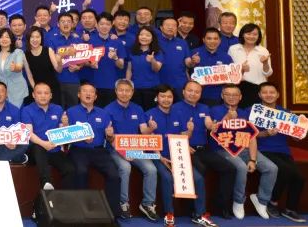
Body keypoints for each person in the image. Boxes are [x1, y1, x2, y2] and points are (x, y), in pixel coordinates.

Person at [146, 85, 218, 227]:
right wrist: (159, 156)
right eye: (163, 96)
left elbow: (183, 136)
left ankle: (199, 215)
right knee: (167, 178)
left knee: (198, 179)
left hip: (177, 154)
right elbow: (148, 138)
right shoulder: (149, 114)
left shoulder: (178, 114)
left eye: (169, 96)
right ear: (157, 98)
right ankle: (169, 214)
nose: (166, 99)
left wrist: (189, 131)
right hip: (158, 156)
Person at [206, 83, 278, 220]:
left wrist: (252, 159)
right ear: (222, 96)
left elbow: (252, 137)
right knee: (241, 167)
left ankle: (262, 200)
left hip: (244, 148)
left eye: (235, 95)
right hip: (222, 149)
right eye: (228, 94)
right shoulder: (213, 110)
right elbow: (215, 132)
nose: (231, 97)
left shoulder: (244, 113)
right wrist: (227, 117)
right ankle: (239, 201)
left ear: (240, 97)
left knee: (271, 168)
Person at [250, 82, 308, 223]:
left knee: (299, 178)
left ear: (277, 95)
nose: (268, 95)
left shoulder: (286, 113)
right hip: (263, 150)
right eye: (265, 92)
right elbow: (248, 135)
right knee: (284, 170)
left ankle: (290, 209)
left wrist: (307, 131)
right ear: (259, 95)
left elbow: (296, 137)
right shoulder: (254, 111)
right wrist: (266, 133)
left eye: (272, 92)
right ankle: (271, 202)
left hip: (283, 151)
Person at [173, 80, 236, 219]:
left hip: (204, 149)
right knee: (200, 169)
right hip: (185, 149)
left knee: (230, 168)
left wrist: (218, 123)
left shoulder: (204, 108)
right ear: (183, 92)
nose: (193, 94)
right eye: (190, 90)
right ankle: (192, 209)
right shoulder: (175, 108)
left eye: (197, 91)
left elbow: (210, 125)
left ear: (201, 94)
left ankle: (221, 207)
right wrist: (183, 144)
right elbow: (171, 130)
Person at [104, 79, 157, 221]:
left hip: (135, 148)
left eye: (127, 90)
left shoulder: (138, 108)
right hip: (115, 149)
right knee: (125, 167)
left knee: (151, 169)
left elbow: (143, 130)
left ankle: (147, 204)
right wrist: (122, 151)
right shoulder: (108, 109)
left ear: (132, 92)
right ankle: (123, 203)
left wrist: (150, 128)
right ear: (116, 91)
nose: (124, 93)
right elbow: (110, 138)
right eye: (121, 90)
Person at [66, 82, 121, 215]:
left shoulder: (104, 113)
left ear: (95, 96)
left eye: (91, 92)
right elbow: (65, 136)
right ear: (79, 95)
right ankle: (82, 212)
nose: (88, 94)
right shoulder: (70, 112)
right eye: (85, 91)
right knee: (81, 172)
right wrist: (80, 137)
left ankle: (112, 214)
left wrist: (110, 135)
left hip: (99, 151)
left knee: (114, 175)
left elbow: (110, 139)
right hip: (78, 149)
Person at [22, 82, 74, 189]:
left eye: (46, 93)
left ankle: (63, 196)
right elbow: (29, 133)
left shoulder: (58, 109)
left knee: (70, 169)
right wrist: (44, 144)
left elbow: (62, 133)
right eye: (39, 93)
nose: (43, 96)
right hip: (35, 150)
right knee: (38, 148)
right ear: (33, 95)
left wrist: (65, 125)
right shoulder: (27, 110)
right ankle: (47, 184)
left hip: (54, 149)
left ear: (51, 95)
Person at [229, 23, 272, 107]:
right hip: (238, 88)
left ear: (259, 36)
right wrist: (240, 69)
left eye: (255, 34)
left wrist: (265, 63)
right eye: (248, 34)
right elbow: (229, 70)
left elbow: (268, 73)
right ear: (242, 34)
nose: (251, 36)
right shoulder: (233, 49)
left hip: (257, 88)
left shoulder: (263, 51)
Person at [92, 12, 127, 107]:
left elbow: (121, 65)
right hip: (93, 84)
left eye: (107, 24)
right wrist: (90, 64)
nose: (104, 26)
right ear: (96, 25)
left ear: (112, 25)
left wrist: (115, 58)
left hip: (112, 84)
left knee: (110, 112)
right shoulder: (90, 41)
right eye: (102, 24)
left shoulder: (117, 42)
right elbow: (84, 62)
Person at [189, 28, 232, 107]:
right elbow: (186, 70)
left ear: (220, 40)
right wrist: (192, 62)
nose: (212, 41)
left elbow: (231, 78)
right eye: (209, 38)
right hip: (196, 97)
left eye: (215, 39)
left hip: (219, 98)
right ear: (203, 40)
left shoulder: (226, 57)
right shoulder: (194, 53)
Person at [51, 13, 84, 107]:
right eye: (63, 21)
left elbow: (83, 60)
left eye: (68, 21)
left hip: (73, 81)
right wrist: (67, 52)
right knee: (57, 110)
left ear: (73, 24)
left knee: (73, 110)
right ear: (58, 24)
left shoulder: (78, 40)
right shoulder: (52, 39)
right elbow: (52, 58)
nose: (66, 24)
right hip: (56, 81)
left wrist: (78, 67)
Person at [0, 29, 29, 107]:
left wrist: (15, 68)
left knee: (16, 112)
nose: (4, 39)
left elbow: (19, 67)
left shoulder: (18, 52)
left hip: (17, 89)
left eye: (7, 37)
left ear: (11, 40)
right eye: (1, 37)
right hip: (1, 90)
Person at [127, 27, 163, 108]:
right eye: (141, 34)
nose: (144, 37)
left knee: (150, 111)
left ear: (152, 38)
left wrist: (152, 60)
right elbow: (129, 70)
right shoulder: (132, 51)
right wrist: (127, 84)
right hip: (135, 88)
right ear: (138, 36)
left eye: (147, 35)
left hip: (152, 88)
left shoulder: (157, 52)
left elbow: (156, 69)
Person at [156, 17, 190, 102]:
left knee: (180, 108)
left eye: (173, 25)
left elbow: (188, 62)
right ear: (161, 28)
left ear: (177, 28)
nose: (170, 27)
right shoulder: (155, 42)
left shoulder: (182, 42)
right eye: (167, 25)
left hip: (180, 84)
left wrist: (193, 61)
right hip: (160, 84)